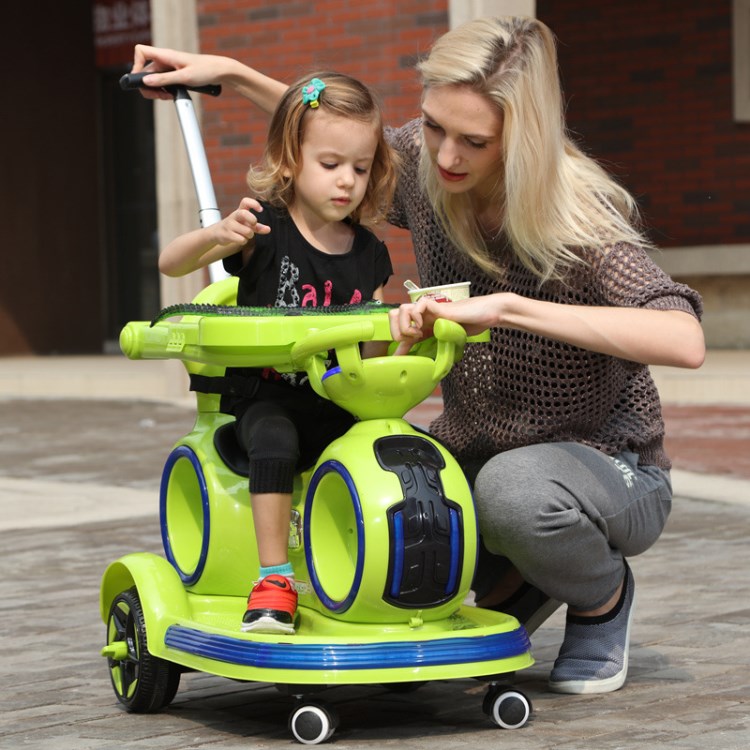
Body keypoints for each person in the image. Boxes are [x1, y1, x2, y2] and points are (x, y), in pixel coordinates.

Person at [132, 15, 705, 693]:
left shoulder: (575, 215)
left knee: (510, 496)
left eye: (474, 141)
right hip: (479, 455)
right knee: (405, 570)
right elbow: (336, 140)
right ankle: (526, 575)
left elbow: (684, 339)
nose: (445, 155)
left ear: (522, 140)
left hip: (609, 467)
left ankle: (602, 598)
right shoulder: (434, 177)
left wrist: (504, 308)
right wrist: (229, 74)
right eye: (432, 127)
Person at [158, 71, 398, 634]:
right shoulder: (264, 228)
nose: (347, 182)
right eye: (331, 164)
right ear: (290, 159)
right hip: (266, 399)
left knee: (390, 444)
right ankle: (275, 579)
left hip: (337, 398)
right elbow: (170, 263)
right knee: (275, 438)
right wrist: (219, 236)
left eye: (360, 169)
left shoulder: (370, 254)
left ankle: (383, 572)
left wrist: (402, 329)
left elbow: (377, 345)